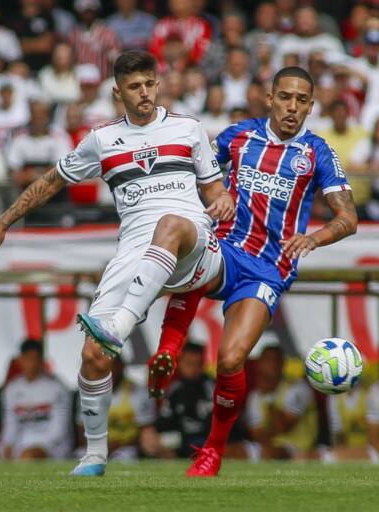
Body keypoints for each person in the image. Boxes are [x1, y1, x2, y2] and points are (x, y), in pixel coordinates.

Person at [0, 50, 234, 477]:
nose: (145, 92)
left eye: (150, 83)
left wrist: (222, 198)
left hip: (193, 243)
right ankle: (95, 455)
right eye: (135, 86)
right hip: (134, 251)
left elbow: (214, 190)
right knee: (94, 355)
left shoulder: (189, 129)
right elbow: (52, 181)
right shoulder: (102, 140)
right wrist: (3, 222)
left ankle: (120, 324)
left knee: (170, 223)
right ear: (118, 92)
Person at [146, 66, 358, 477]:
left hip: (269, 269)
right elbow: (193, 174)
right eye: (285, 97)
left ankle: (213, 451)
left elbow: (348, 217)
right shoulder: (237, 136)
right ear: (269, 97)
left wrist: (313, 239)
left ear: (311, 106)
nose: (292, 107)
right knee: (192, 258)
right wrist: (219, 192)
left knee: (230, 359)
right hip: (226, 249)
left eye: (301, 100)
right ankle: (168, 351)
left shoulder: (318, 152)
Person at [0, 340, 72, 460]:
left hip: (50, 446)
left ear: (41, 361)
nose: (31, 364)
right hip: (19, 443)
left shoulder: (57, 388)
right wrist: (8, 444)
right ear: (20, 360)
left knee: (27, 456)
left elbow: (59, 432)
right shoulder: (11, 389)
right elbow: (10, 425)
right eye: (27, 359)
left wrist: (29, 444)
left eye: (34, 359)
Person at [245, 345, 318, 460]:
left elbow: (282, 427)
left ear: (283, 363)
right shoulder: (255, 396)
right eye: (268, 360)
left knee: (271, 453)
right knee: (234, 450)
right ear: (259, 364)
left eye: (277, 360)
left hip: (298, 449)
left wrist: (269, 397)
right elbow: (256, 435)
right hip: (267, 447)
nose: (273, 364)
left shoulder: (298, 388)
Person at [6, 100, 72, 226]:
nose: (38, 119)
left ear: (47, 116)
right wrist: (45, 173)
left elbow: (63, 172)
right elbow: (15, 175)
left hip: (56, 200)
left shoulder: (60, 138)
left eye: (42, 115)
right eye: (35, 115)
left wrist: (33, 175)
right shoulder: (19, 139)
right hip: (28, 203)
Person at [89, 355, 157, 461]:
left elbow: (146, 433)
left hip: (127, 447)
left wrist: (118, 445)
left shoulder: (138, 393)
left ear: (121, 367)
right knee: (80, 456)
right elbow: (83, 429)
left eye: (112, 366)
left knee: (124, 457)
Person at [155, 342, 216, 458]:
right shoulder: (175, 389)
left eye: (197, 364)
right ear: (180, 363)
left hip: (205, 440)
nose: (193, 369)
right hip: (181, 438)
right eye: (188, 364)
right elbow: (163, 421)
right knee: (155, 442)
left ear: (203, 365)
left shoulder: (211, 387)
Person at [322, 384, 369, 462]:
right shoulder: (334, 398)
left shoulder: (368, 394)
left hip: (368, 448)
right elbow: (337, 432)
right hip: (348, 447)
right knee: (329, 457)